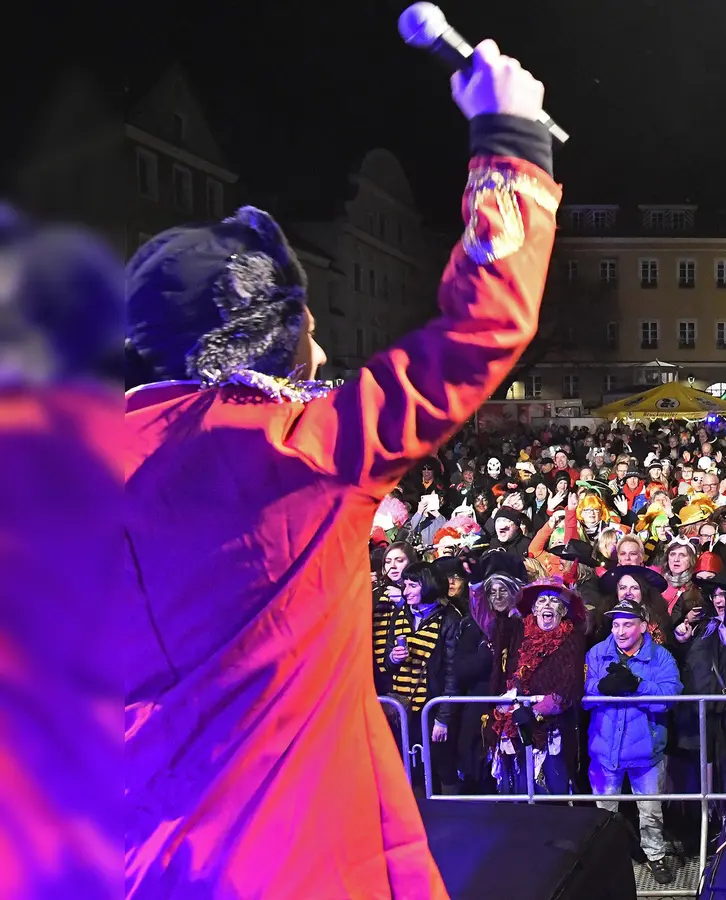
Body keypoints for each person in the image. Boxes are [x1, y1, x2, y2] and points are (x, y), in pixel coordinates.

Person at [123, 42, 559, 897]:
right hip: (289, 861)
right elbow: (482, 329)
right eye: (308, 326)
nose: (322, 348)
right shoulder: (295, 456)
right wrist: (512, 140)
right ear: (269, 343)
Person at [585, 598, 683, 885]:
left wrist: (638, 685)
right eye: (616, 625)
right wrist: (600, 688)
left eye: (628, 624)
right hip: (604, 750)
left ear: (642, 626)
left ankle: (655, 856)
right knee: (604, 813)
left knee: (650, 811)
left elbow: (670, 698)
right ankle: (606, 859)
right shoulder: (596, 653)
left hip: (646, 752)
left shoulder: (662, 657)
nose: (621, 630)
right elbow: (584, 694)